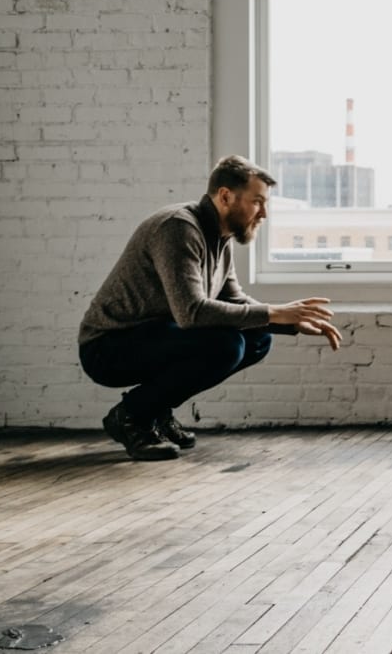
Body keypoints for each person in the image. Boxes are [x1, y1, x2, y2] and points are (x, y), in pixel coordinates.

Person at [78, 155, 342, 461]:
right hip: (108, 346)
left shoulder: (219, 236)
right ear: (226, 196)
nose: (264, 213)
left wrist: (291, 324)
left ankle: (156, 409)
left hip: (155, 336)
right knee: (225, 344)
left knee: (258, 340)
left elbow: (233, 299)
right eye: (257, 202)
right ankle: (132, 416)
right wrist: (273, 312)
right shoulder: (178, 228)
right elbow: (191, 313)